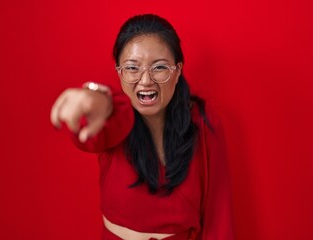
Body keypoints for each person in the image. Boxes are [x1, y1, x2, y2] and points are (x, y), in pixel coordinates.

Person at [50, 14, 234, 240]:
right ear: (119, 72)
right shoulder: (114, 120)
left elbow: (219, 218)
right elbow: (93, 128)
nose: (145, 80)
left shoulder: (204, 122)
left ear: (177, 71)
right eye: (132, 68)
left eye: (159, 67)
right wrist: (97, 99)